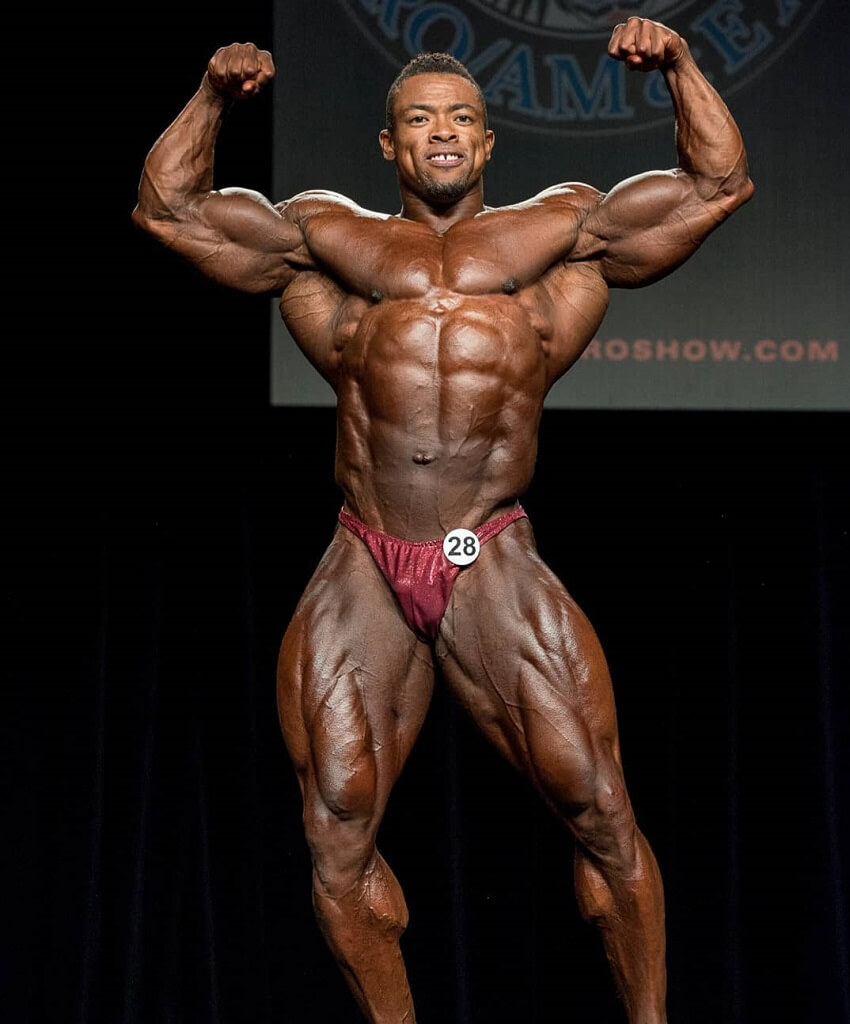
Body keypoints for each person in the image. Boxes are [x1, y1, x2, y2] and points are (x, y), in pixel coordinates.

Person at [132, 17, 752, 1023]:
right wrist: (208, 97)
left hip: (480, 542)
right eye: (419, 119)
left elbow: (718, 184)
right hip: (366, 549)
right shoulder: (326, 238)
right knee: (335, 822)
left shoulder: (562, 233)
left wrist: (680, 68)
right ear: (389, 143)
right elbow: (169, 210)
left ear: (489, 139)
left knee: (598, 803)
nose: (443, 134)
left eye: (462, 117)